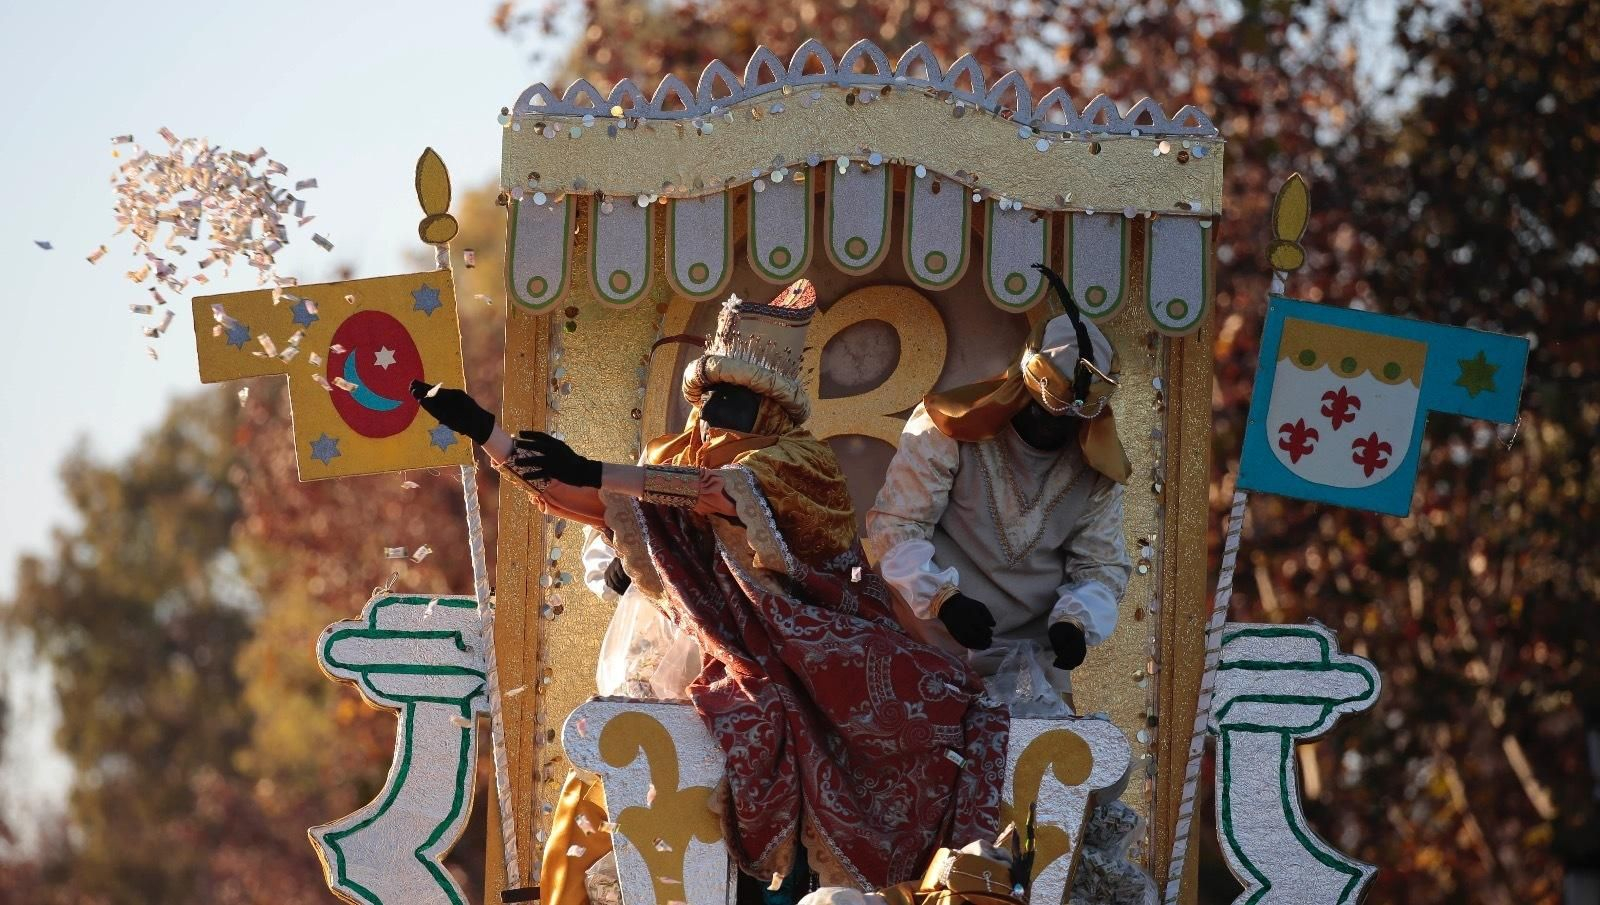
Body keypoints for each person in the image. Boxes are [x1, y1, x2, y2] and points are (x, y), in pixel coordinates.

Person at [412, 279, 1008, 895]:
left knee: (793, 733)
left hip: (805, 651)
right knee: (606, 799)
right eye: (710, 393)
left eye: (735, 398)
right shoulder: (671, 455)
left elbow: (721, 493)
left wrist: (593, 469)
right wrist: (486, 432)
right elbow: (582, 497)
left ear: (771, 407)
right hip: (691, 654)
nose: (714, 410)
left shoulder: (798, 460)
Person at [865, 264, 1132, 707]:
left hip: (1031, 665)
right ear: (1020, 392)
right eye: (1046, 414)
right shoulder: (945, 429)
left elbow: (1102, 568)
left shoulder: (1097, 472)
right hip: (919, 638)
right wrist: (944, 601)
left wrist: (1074, 623)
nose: (1055, 430)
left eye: (1069, 421)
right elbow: (897, 527)